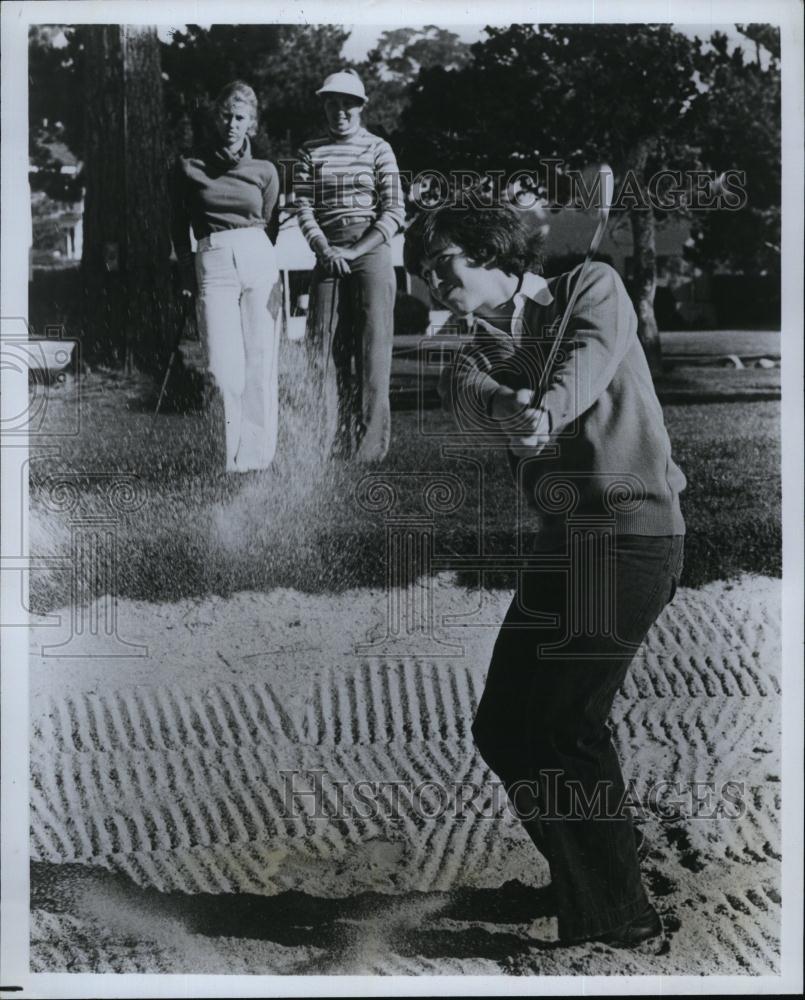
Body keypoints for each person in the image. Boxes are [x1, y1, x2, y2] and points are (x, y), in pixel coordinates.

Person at [404, 198, 686, 948]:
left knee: (563, 727)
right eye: (423, 277)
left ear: (490, 252)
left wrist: (548, 408)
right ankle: (586, 873)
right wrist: (507, 400)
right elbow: (466, 394)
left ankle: (617, 916)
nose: (433, 287)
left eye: (442, 267)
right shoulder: (473, 353)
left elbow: (590, 355)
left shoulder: (588, 284)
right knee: (503, 727)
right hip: (565, 545)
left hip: (630, 536)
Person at [293, 69, 405, 462]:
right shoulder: (309, 150)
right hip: (327, 248)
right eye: (331, 103)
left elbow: (394, 211)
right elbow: (303, 206)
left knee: (372, 349)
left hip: (370, 248)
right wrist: (324, 247)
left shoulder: (379, 148)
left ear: (360, 107)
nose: (339, 111)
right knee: (322, 349)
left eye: (347, 104)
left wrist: (356, 252)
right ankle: (328, 439)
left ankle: (369, 448)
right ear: (324, 105)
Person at [170, 80, 281, 474]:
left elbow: (268, 221)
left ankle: (258, 458)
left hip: (257, 257)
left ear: (251, 124)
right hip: (212, 258)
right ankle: (230, 459)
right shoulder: (188, 165)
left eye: (240, 118)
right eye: (225, 115)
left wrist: (255, 252)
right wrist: (186, 270)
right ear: (215, 118)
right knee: (221, 365)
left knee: (261, 360)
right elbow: (177, 223)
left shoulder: (266, 171)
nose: (232, 124)